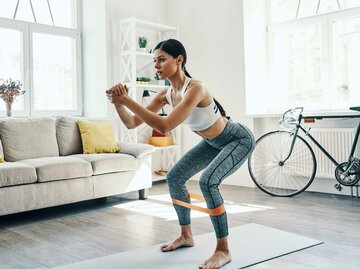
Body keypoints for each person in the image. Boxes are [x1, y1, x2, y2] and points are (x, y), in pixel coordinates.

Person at [106, 39, 255, 269]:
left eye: (162, 59)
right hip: (211, 142)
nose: (156, 65)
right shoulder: (166, 94)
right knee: (174, 177)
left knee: (208, 182)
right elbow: (132, 123)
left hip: (237, 139)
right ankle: (186, 236)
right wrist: (118, 103)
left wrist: (128, 100)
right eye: (154, 60)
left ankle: (223, 250)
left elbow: (165, 126)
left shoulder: (196, 88)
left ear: (179, 60)